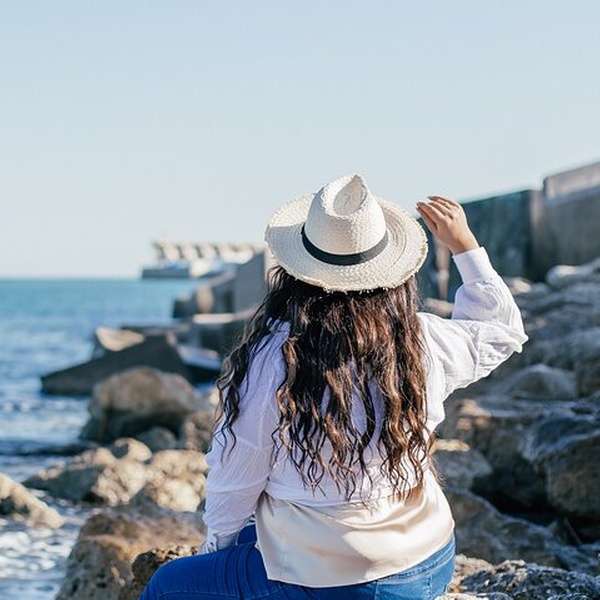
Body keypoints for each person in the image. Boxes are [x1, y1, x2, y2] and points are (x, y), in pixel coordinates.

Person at [141, 174, 527, 600]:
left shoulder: (275, 357)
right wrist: (464, 247)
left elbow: (237, 477)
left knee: (167, 586)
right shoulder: (419, 339)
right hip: (428, 562)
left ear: (297, 274)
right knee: (260, 531)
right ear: (392, 273)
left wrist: (216, 551)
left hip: (339, 584)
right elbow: (500, 332)